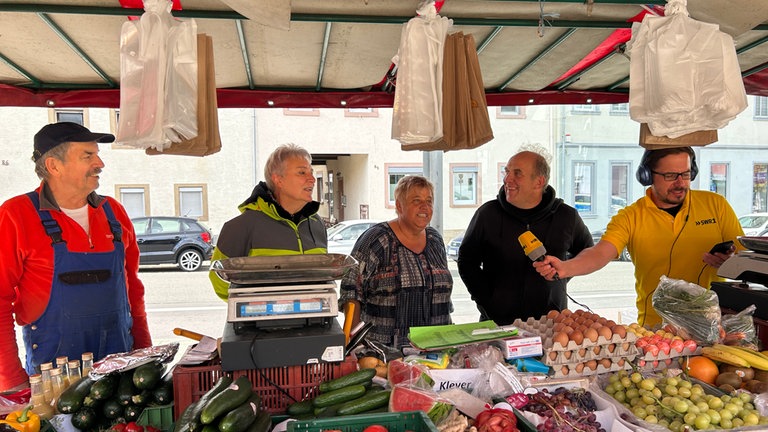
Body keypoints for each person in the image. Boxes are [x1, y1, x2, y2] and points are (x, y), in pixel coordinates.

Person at [0, 122, 152, 393]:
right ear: (53, 166)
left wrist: (144, 352)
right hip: (54, 379)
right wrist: (12, 380)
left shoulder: (113, 212)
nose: (100, 163)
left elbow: (132, 289)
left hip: (120, 368)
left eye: (97, 154)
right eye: (87, 156)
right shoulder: (16, 214)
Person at [534, 146, 744, 327]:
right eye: (670, 175)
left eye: (686, 174)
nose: (680, 183)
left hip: (710, 323)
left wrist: (730, 264)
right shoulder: (631, 216)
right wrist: (565, 267)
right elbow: (601, 253)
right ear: (647, 175)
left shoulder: (716, 205)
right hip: (657, 329)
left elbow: (746, 260)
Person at [458, 150, 593, 325]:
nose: (507, 179)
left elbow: (588, 252)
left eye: (517, 173)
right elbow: (467, 261)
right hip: (497, 324)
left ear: (539, 182)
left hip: (551, 323)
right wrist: (486, 301)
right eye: (507, 172)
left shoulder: (566, 216)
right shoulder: (487, 214)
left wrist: (562, 272)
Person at [339, 175, 452, 348]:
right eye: (416, 200)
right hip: (384, 353)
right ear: (399, 205)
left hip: (436, 350)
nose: (425, 207)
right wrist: (355, 345)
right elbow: (351, 291)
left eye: (429, 201)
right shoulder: (376, 239)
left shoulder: (435, 240)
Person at [209, 143, 327, 301]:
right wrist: (254, 306)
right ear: (279, 180)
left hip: (315, 320)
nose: (312, 179)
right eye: (301, 172)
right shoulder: (241, 226)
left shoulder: (316, 224)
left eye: (311, 172)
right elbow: (219, 279)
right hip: (261, 323)